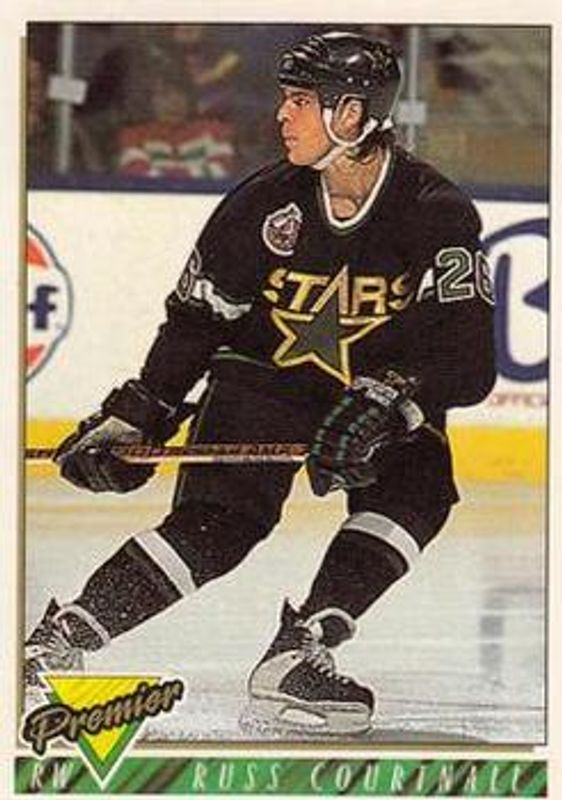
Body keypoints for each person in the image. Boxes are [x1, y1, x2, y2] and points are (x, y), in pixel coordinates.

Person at [25, 30, 496, 735]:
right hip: (263, 382)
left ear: (351, 114)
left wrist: (393, 399)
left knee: (419, 488)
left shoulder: (435, 211)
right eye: (286, 99)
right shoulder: (260, 205)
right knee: (222, 522)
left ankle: (300, 648)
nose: (282, 114)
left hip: (370, 390)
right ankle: (59, 640)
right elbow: (195, 322)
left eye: (301, 101)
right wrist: (143, 409)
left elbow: (468, 356)